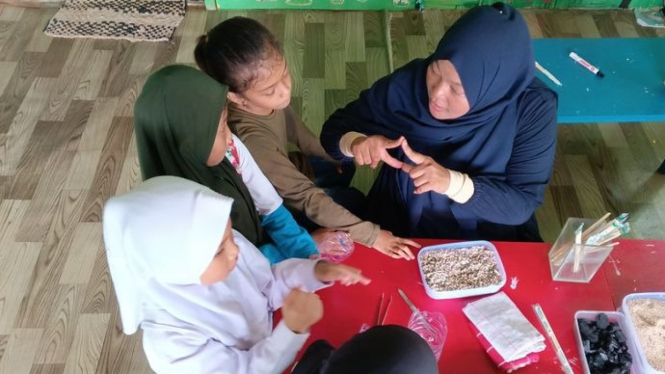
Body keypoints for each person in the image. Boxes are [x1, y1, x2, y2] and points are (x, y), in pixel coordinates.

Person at [102, 176, 437, 374]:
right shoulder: (170, 342)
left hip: (276, 344)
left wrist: (316, 271)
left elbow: (268, 281)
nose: (235, 250)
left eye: (231, 236)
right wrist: (291, 329)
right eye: (220, 248)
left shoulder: (223, 253)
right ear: (176, 264)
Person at [320, 3, 558, 242]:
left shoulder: (532, 107)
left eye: (456, 88)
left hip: (489, 222)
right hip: (402, 214)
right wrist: (356, 143)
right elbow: (334, 130)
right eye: (434, 71)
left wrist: (450, 182)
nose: (436, 94)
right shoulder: (408, 85)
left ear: (491, 90)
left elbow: (522, 202)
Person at [194, 17, 419, 260]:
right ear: (236, 98)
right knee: (353, 201)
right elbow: (304, 197)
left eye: (285, 74)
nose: (284, 90)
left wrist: (329, 155)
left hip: (283, 173)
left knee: (342, 163)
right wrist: (373, 237)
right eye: (270, 90)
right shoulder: (251, 139)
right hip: (273, 209)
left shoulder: (266, 99)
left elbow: (295, 129)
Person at [134, 65, 318, 264]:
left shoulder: (230, 151)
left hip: (266, 242)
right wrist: (297, 254)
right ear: (189, 144)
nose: (231, 136)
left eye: (226, 123)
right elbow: (236, 268)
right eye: (222, 128)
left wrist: (305, 249)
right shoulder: (178, 217)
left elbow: (269, 204)